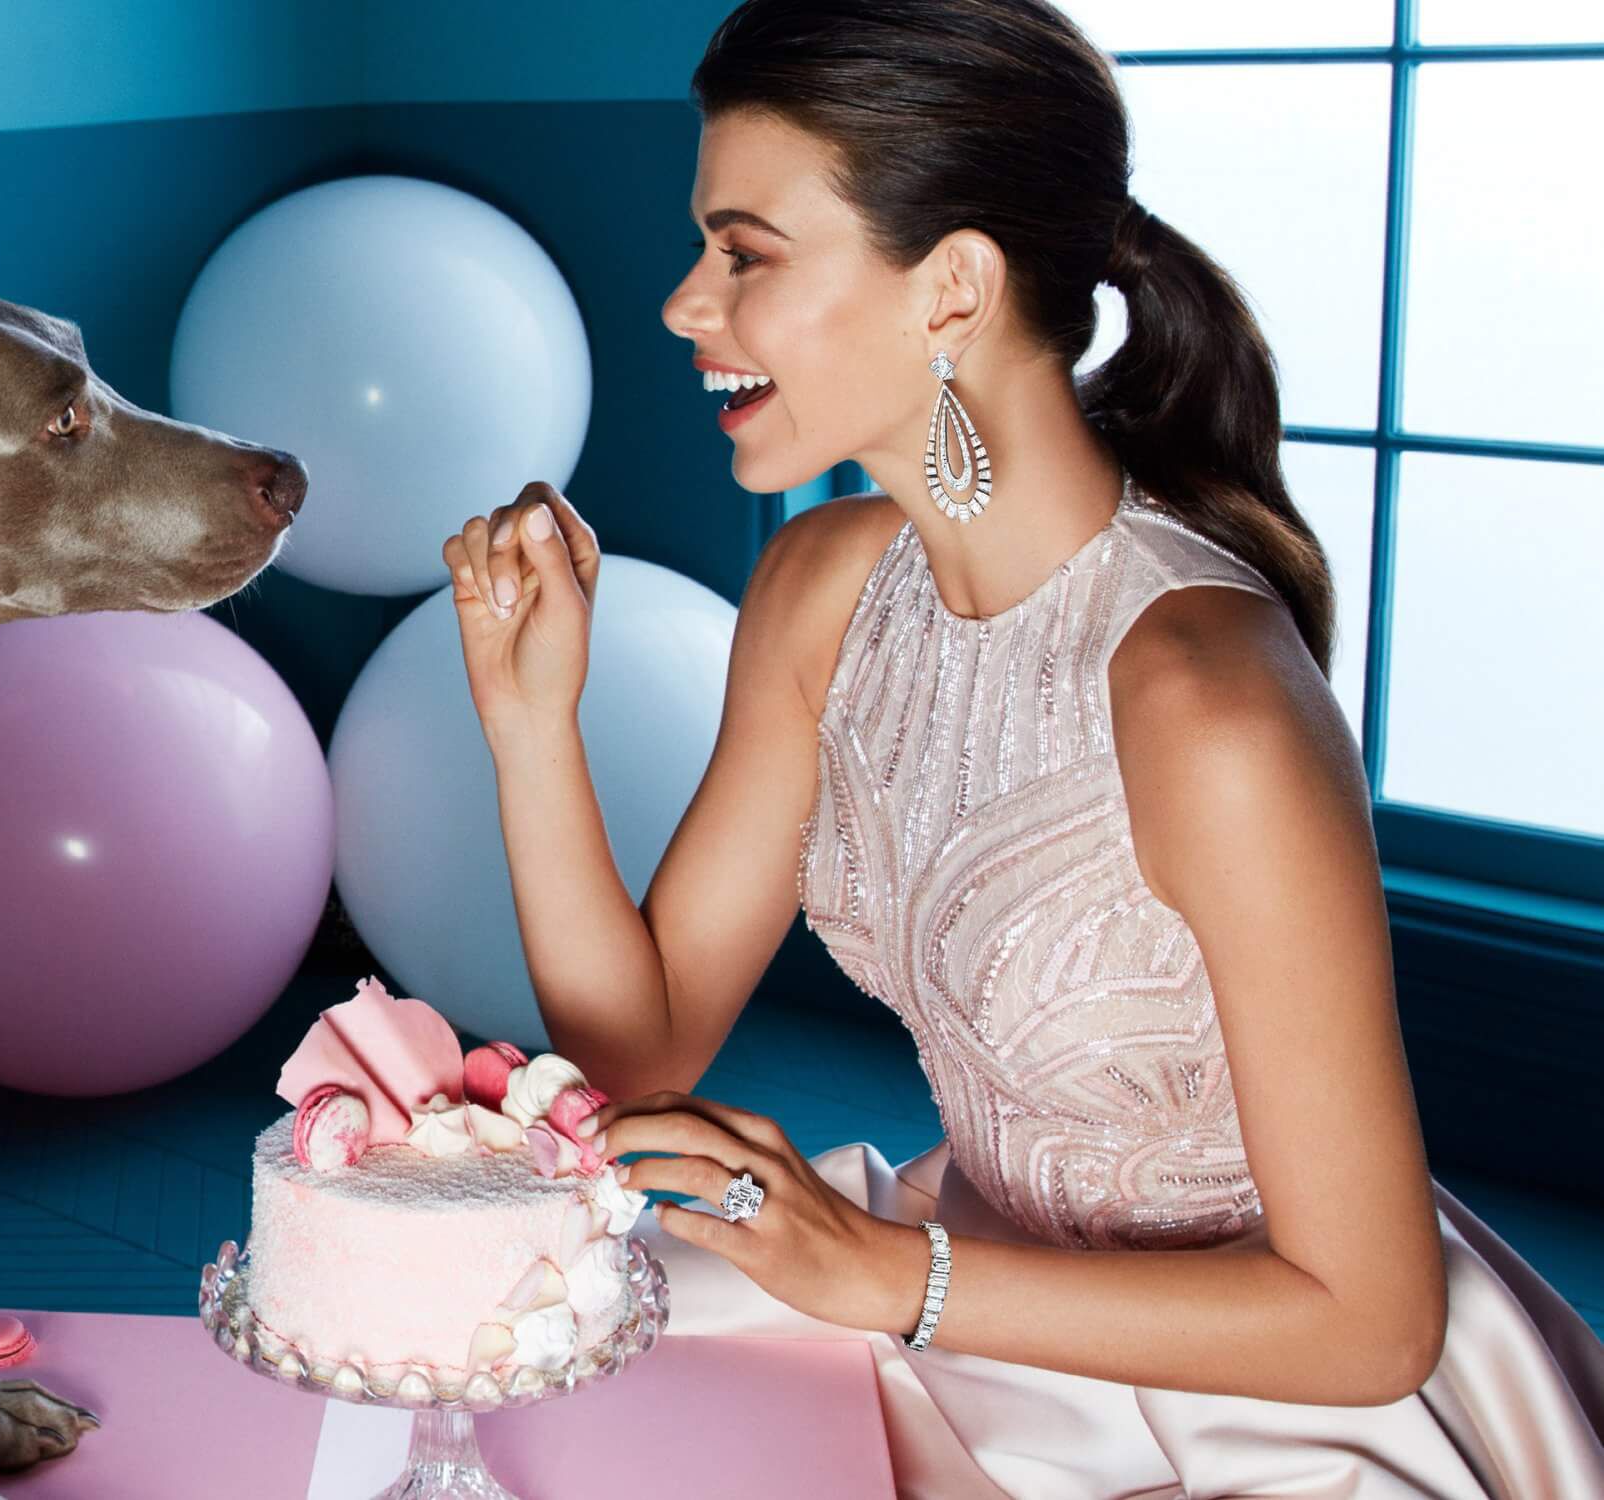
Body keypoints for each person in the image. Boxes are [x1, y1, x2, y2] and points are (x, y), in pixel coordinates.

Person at [437, 2, 1604, 1495]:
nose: (684, 304)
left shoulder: (1209, 700)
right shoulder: (823, 590)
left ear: (954, 289)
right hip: (970, 1299)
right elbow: (641, 1045)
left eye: (745, 252)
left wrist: (887, 1277)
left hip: (1273, 1397)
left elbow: (1371, 1324)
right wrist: (532, 726)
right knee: (511, 1381)